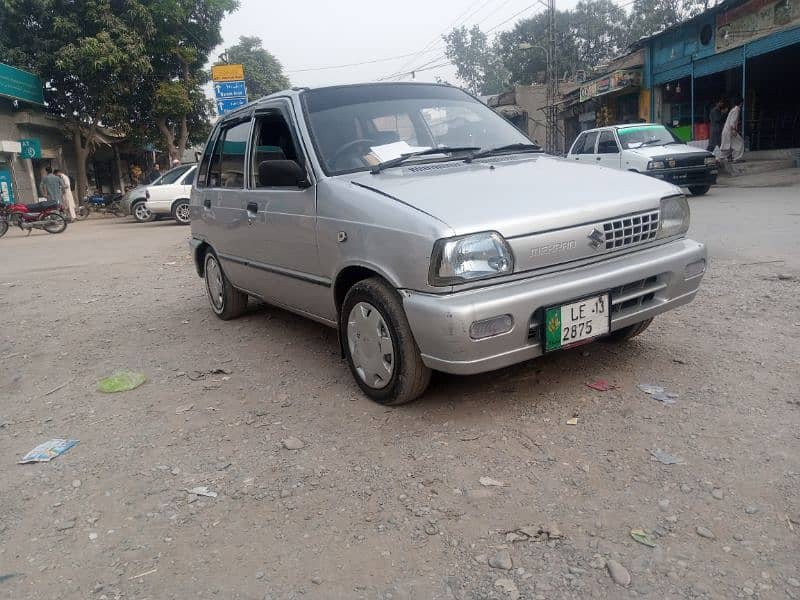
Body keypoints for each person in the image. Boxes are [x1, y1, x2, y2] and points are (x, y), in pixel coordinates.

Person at [720, 96, 744, 162]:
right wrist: (734, 130)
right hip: (730, 130)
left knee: (726, 146)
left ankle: (718, 158)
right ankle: (735, 158)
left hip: (727, 130)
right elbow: (732, 122)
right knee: (740, 143)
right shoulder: (736, 110)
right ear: (741, 103)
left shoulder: (733, 109)